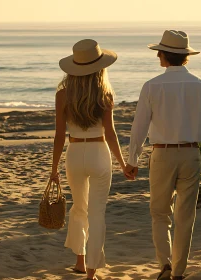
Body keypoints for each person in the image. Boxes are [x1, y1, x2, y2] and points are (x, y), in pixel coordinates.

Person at [124, 30, 201, 280]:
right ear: (185, 56)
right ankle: (178, 272)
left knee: (159, 213)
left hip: (162, 155)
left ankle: (165, 265)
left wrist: (132, 160)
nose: (157, 56)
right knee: (185, 217)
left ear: (165, 55)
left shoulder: (152, 86)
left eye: (159, 52)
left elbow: (139, 127)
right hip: (191, 155)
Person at [51, 39, 129, 280]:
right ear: (100, 68)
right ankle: (91, 271)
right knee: (97, 213)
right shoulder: (105, 94)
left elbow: (59, 135)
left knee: (79, 208)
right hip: (99, 152)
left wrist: (53, 169)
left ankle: (80, 261)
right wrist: (123, 163)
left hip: (74, 154)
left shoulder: (63, 95)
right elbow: (111, 132)